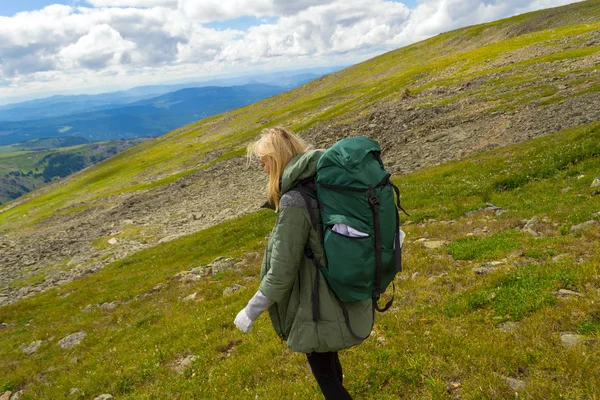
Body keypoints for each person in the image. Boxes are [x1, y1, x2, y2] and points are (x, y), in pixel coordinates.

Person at [234, 127, 373, 400]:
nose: (263, 169)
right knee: (328, 364)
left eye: (264, 162)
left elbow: (281, 271)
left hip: (316, 303)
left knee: (327, 378)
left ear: (275, 160)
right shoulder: (319, 185)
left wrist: (250, 311)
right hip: (336, 289)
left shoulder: (293, 200)